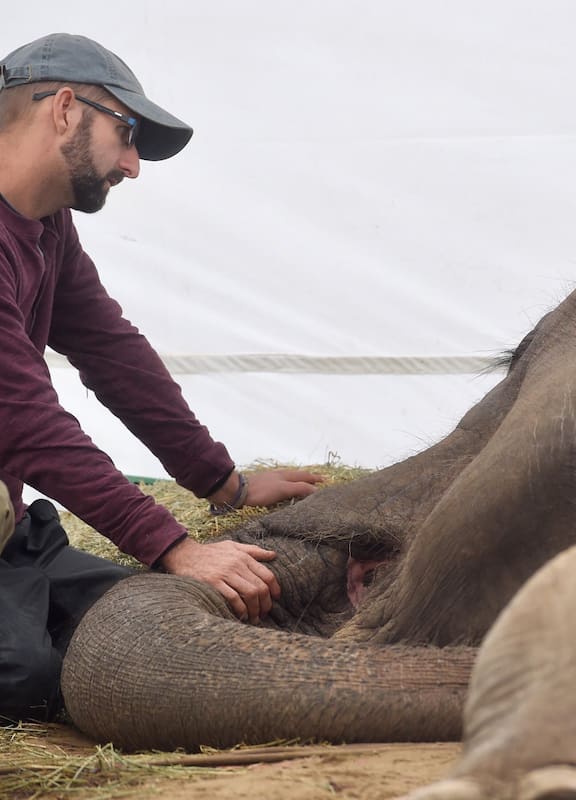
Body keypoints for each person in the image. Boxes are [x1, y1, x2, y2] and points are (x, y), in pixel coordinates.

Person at [0, 33, 323, 721]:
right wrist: (171, 545)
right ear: (64, 108)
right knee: (26, 676)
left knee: (152, 622)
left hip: (7, 538)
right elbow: (22, 418)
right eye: (127, 133)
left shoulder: (47, 228)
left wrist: (222, 483)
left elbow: (114, 352)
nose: (133, 164)